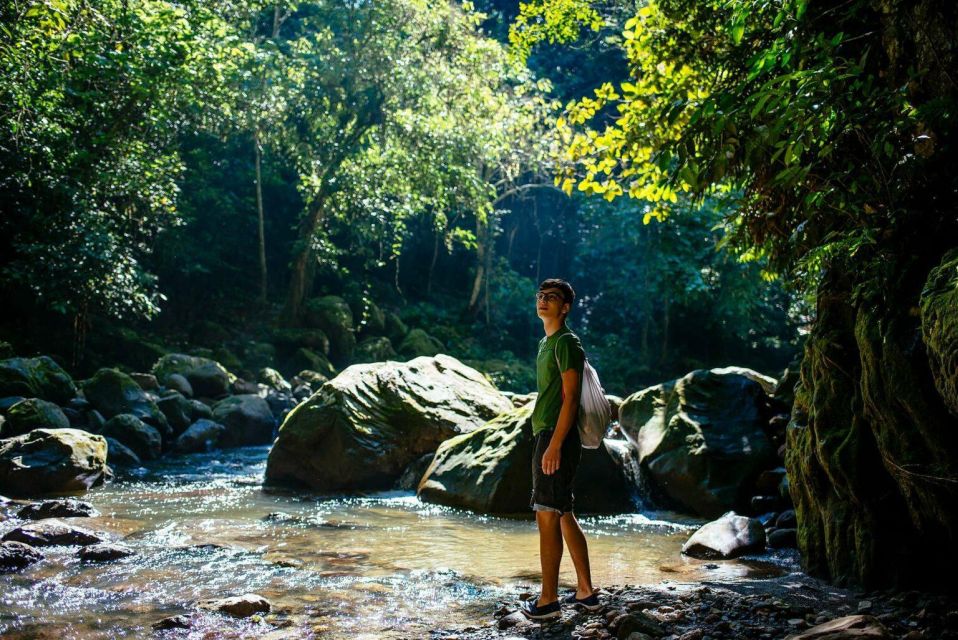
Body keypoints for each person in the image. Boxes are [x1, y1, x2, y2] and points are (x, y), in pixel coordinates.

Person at [520, 278, 600, 621]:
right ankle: (585, 592)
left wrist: (553, 445)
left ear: (565, 307)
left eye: (551, 298)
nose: (543, 301)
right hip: (548, 433)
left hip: (556, 436)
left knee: (547, 515)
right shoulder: (546, 342)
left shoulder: (566, 343)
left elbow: (570, 397)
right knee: (563, 513)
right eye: (540, 296)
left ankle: (548, 601)